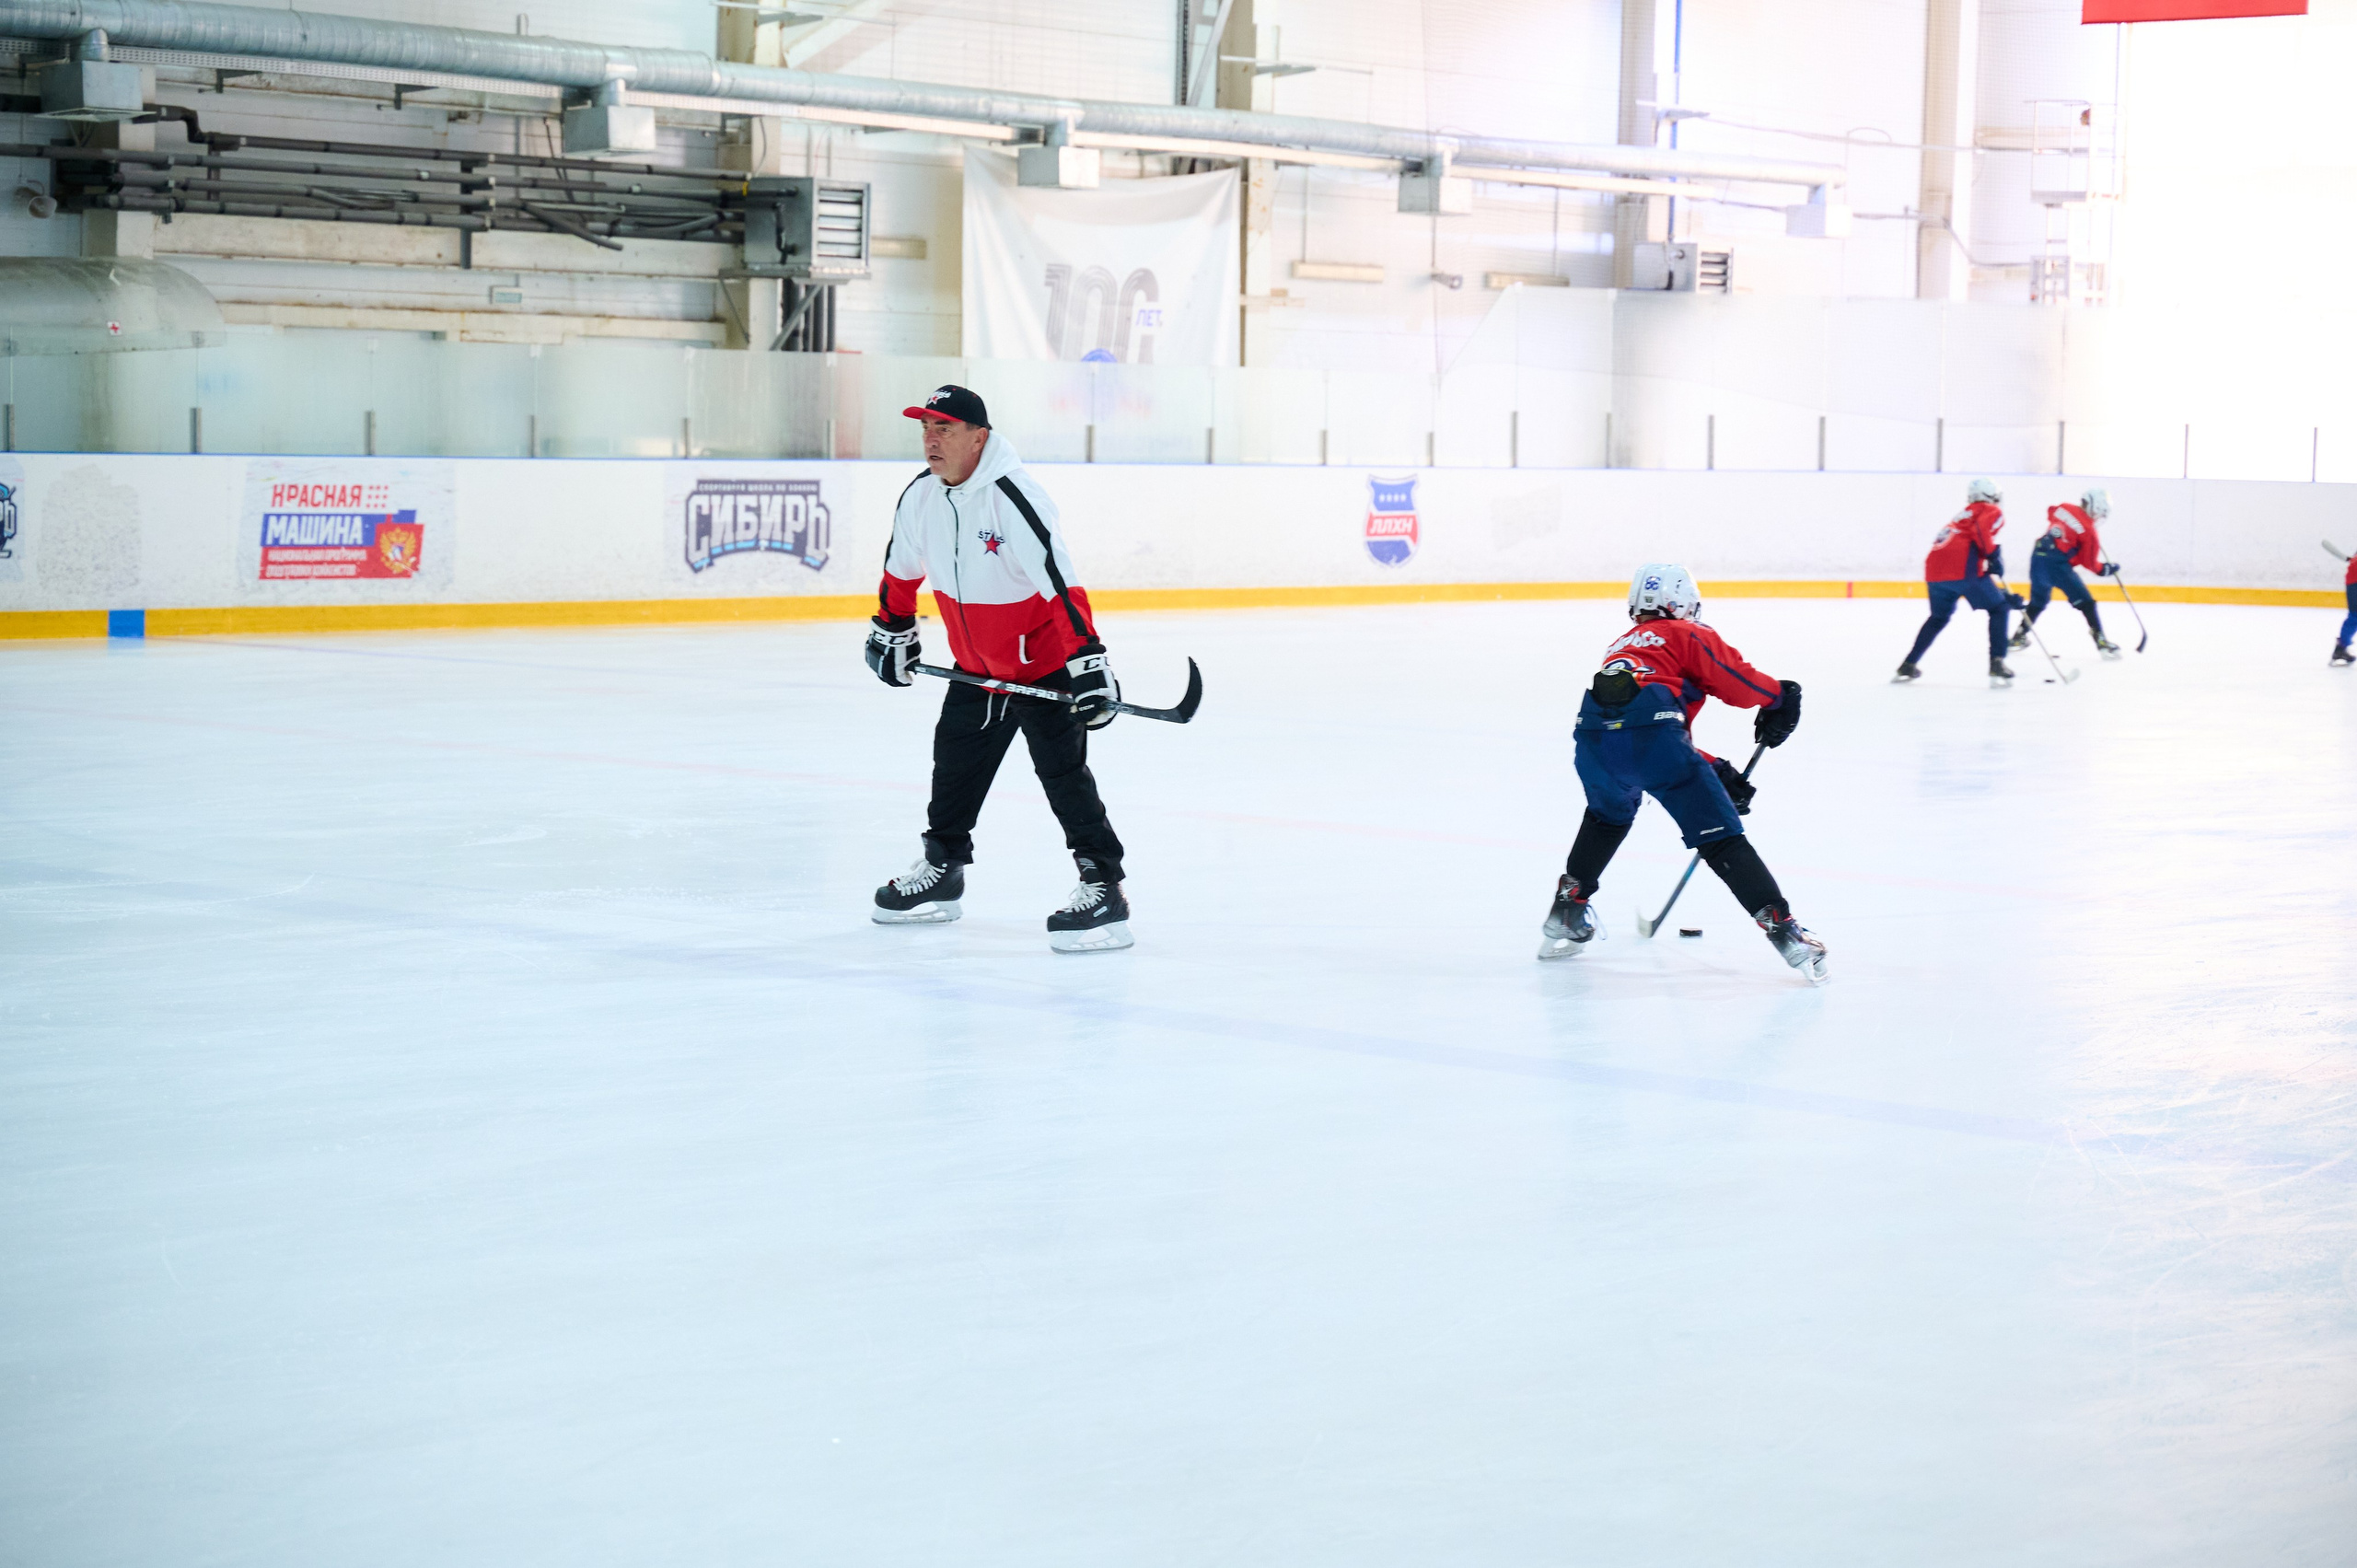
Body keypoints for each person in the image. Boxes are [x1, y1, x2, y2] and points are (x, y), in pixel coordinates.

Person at [863, 384, 1133, 953]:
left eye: (945, 429)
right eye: (925, 429)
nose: (931, 441)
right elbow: (899, 569)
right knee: (954, 768)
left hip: (1040, 667)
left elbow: (1059, 582)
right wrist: (893, 627)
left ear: (978, 437)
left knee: (1063, 776)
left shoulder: (1013, 496)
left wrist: (1087, 659)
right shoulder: (921, 496)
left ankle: (1103, 885)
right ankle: (944, 872)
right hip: (975, 669)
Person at [1538, 564, 1829, 984]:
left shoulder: (1622, 645)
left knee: (1607, 818)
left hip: (1594, 744)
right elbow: (1735, 683)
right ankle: (1787, 934)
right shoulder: (1688, 634)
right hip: (1654, 742)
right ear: (1681, 603)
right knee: (1721, 839)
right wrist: (1779, 696)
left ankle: (1567, 910)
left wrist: (1713, 770)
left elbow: (1636, 732)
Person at [1894, 477, 2024, 687]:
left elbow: (1966, 543)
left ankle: (1909, 663)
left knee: (1938, 617)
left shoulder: (1961, 516)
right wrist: (1992, 556)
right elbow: (1980, 532)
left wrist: (1991, 569)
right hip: (1961, 570)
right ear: (1991, 497)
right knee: (1999, 608)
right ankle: (1997, 662)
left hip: (1935, 573)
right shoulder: (1989, 510)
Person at [2012, 487, 2122, 658]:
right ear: (2096, 508)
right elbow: (2091, 564)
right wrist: (2107, 569)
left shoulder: (2064, 507)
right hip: (2057, 566)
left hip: (2038, 557)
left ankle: (2018, 637)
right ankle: (2101, 642)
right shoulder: (2089, 531)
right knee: (2087, 603)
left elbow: (2051, 511)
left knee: (2038, 603)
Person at [2333, 543, 2356, 667]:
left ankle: (2341, 648)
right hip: (2355, 582)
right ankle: (2341, 648)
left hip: (2353, 580)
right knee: (2355, 616)